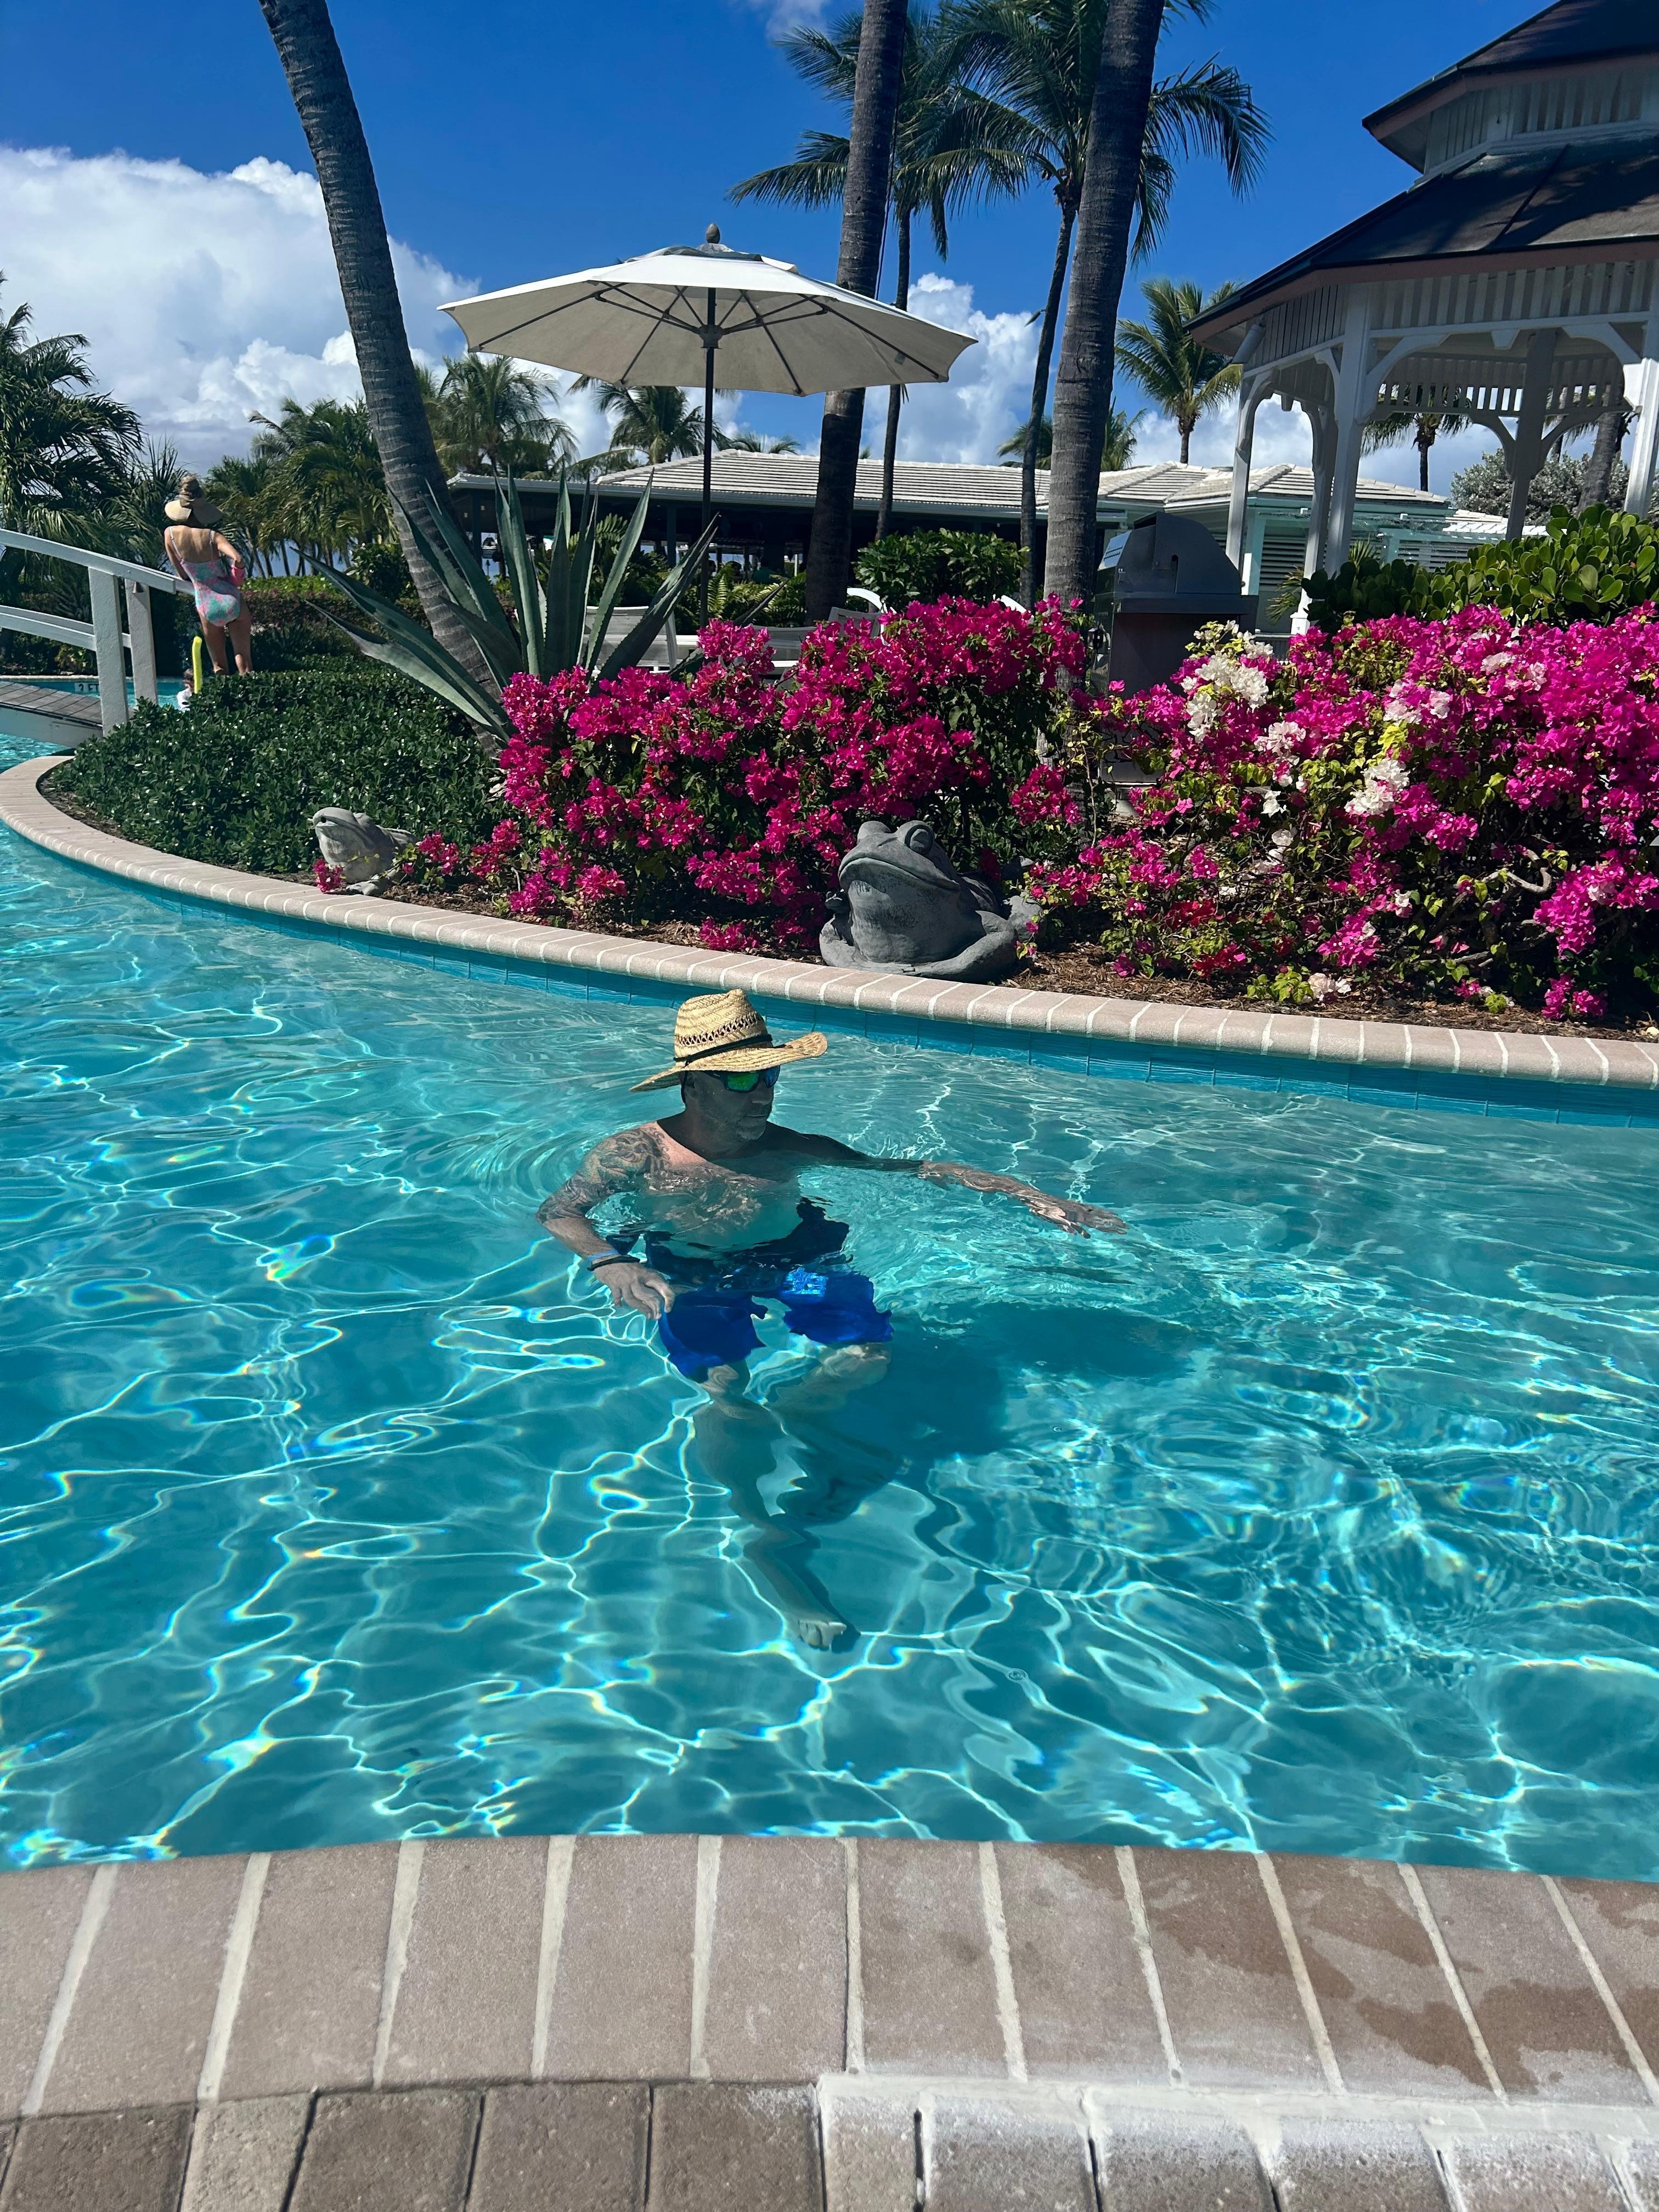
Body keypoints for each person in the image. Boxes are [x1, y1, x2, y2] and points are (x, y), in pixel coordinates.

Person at [538, 989, 1122, 1645]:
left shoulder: (791, 1149)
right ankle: (762, 1531)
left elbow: (925, 1169)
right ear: (693, 1085)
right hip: (694, 1271)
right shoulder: (635, 1154)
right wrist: (608, 1263)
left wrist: (1035, 1197)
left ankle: (802, 1418)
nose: (762, 1092)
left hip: (794, 1261)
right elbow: (561, 1211)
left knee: (867, 1356)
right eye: (741, 1077)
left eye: (771, 1073)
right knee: (726, 1391)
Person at [163, 476, 253, 677]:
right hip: (231, 598)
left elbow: (182, 574)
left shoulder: (170, 535)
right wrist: (235, 579)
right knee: (245, 662)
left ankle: (223, 703)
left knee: (219, 665)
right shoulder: (213, 536)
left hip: (206, 601)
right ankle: (250, 700)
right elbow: (238, 559)